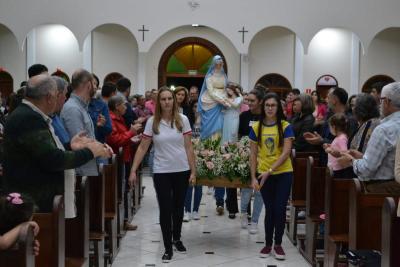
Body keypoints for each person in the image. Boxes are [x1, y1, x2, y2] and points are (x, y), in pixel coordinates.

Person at [3, 74, 111, 212]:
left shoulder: (31, 115)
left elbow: (43, 152)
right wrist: (91, 152)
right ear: (49, 97)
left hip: (36, 198)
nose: (61, 99)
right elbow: (54, 160)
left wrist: (70, 146)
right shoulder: (29, 118)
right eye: (57, 95)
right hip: (34, 201)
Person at [128, 87, 196, 263]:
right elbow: (143, 147)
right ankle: (167, 247)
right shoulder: (152, 121)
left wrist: (193, 171)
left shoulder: (183, 120)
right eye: (163, 99)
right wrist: (133, 170)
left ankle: (177, 238)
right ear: (159, 102)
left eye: (169, 99)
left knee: (178, 207)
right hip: (161, 170)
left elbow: (189, 147)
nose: (167, 102)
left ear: (174, 101)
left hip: (181, 169)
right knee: (165, 208)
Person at [249, 92, 294, 260]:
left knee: (280, 208)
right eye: (267, 105)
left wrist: (270, 171)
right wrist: (253, 177)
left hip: (283, 173)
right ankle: (268, 244)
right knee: (270, 209)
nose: (269, 108)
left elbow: (286, 153)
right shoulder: (256, 127)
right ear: (263, 107)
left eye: (273, 105)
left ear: (278, 107)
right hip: (263, 174)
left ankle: (278, 244)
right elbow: (253, 154)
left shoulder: (285, 126)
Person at [339, 82, 400, 194]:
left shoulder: (383, 129)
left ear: (386, 101)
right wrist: (362, 157)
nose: (379, 105)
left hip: (382, 190)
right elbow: (392, 160)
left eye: (381, 100)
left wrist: (352, 160)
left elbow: (366, 170)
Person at [106, 95, 142, 230]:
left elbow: (122, 137)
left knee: (124, 189)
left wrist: (132, 137)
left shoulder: (119, 118)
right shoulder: (111, 119)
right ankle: (121, 222)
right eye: (123, 105)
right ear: (117, 106)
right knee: (119, 191)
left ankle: (124, 220)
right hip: (116, 160)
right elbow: (115, 140)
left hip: (124, 157)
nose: (126, 107)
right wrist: (131, 133)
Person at [61, 69, 103, 177]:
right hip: (82, 171)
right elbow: (80, 143)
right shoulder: (73, 108)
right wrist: (101, 149)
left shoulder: (81, 106)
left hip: (87, 167)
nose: (96, 87)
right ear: (88, 85)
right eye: (94, 84)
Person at [304, 87, 357, 166]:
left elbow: (346, 144)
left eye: (328, 97)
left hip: (339, 166)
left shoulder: (349, 120)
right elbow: (325, 137)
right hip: (325, 160)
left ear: (335, 100)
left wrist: (321, 140)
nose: (326, 100)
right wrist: (317, 138)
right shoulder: (329, 116)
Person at [239, 89, 265, 234]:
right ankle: (243, 214)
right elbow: (239, 134)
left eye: (252, 101)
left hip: (262, 156)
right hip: (246, 155)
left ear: (260, 102)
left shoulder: (265, 117)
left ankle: (255, 221)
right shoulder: (244, 116)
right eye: (247, 100)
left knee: (259, 190)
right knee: (247, 187)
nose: (248, 103)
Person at [198, 55, 229, 140]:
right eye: (219, 63)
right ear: (215, 64)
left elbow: (226, 88)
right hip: (211, 101)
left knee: (220, 123)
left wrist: (226, 100)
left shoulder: (224, 76)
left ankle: (219, 144)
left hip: (223, 101)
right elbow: (210, 92)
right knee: (209, 124)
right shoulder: (209, 76)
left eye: (221, 63)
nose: (220, 65)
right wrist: (220, 100)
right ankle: (208, 143)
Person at [183, 101, 202, 222]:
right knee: (189, 185)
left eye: (199, 107)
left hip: (201, 154)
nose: (197, 109)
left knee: (199, 185)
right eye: (195, 106)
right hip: (188, 154)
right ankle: (187, 210)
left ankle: (195, 210)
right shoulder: (187, 121)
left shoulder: (206, 121)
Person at [324, 113, 352, 178]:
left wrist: (330, 151)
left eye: (330, 127)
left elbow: (344, 153)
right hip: (333, 169)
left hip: (337, 170)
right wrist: (330, 146)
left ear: (334, 127)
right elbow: (337, 148)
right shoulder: (338, 137)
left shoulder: (342, 138)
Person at [88, 76, 112, 144]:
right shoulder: (79, 105)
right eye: (93, 84)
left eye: (96, 84)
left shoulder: (101, 105)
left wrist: (101, 126)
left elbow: (109, 129)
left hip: (99, 144)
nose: (95, 87)